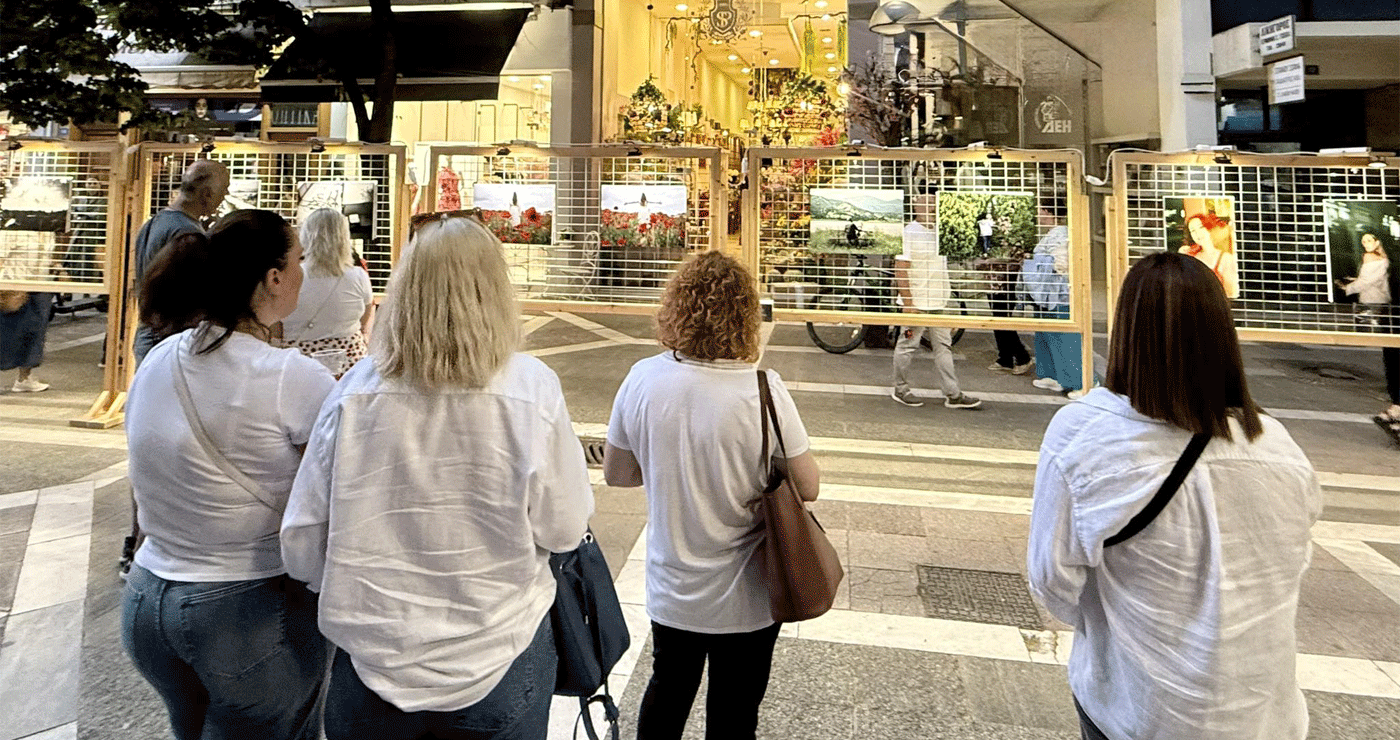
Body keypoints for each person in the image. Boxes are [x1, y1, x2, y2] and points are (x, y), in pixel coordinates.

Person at [281, 214, 593, 740]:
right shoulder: (531, 389)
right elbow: (563, 529)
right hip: (497, 651)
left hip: (372, 663)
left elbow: (303, 541)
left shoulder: (354, 393)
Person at [1028, 252, 1321, 740]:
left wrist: (1116, 626)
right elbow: (1291, 558)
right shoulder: (1277, 443)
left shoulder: (1086, 435)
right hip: (1264, 714)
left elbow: (1052, 581)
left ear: (1126, 331)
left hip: (1141, 707)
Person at [121, 209, 334, 740]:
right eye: (299, 260)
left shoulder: (161, 357)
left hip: (147, 599)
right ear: (274, 278)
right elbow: (336, 490)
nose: (304, 272)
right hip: (244, 611)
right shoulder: (292, 378)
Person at [603, 251, 820, 740]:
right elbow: (808, 486)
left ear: (675, 309)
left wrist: (670, 467)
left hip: (674, 588)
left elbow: (618, 474)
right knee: (735, 713)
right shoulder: (764, 390)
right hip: (749, 595)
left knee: (667, 692)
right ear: (746, 317)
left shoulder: (643, 378)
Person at [131, 159, 230, 365]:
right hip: (167, 338)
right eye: (224, 189)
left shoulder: (155, 222)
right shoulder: (187, 234)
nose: (225, 196)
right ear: (207, 194)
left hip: (150, 333)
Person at [891, 206, 982, 409]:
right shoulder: (909, 232)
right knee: (907, 344)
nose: (932, 205)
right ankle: (900, 389)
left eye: (934, 200)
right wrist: (908, 303)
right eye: (928, 200)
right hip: (917, 305)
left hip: (938, 304)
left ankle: (953, 393)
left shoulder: (940, 232)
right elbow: (901, 269)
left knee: (943, 346)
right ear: (917, 204)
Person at [280, 208, 375, 374]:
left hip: (299, 365)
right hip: (349, 366)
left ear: (306, 236)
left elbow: (277, 324)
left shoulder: (289, 276)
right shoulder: (358, 276)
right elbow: (367, 315)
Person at [1028, 207, 1084, 399]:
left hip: (1057, 292)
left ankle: (1079, 381)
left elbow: (1061, 263)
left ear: (1048, 212)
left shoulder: (1060, 234)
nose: (1038, 215)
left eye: (1040, 211)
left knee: (1063, 336)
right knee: (1047, 333)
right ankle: (1053, 374)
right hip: (1048, 293)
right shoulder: (1054, 233)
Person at [1, 291, 54, 392]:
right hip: (31, 288)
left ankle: (24, 378)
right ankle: (24, 378)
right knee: (32, 330)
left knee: (29, 332)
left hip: (31, 288)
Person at [1178, 212, 1238, 299]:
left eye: (1201, 227)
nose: (1197, 233)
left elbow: (1231, 294)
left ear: (1209, 228)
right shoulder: (1190, 256)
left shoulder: (1225, 258)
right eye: (1193, 231)